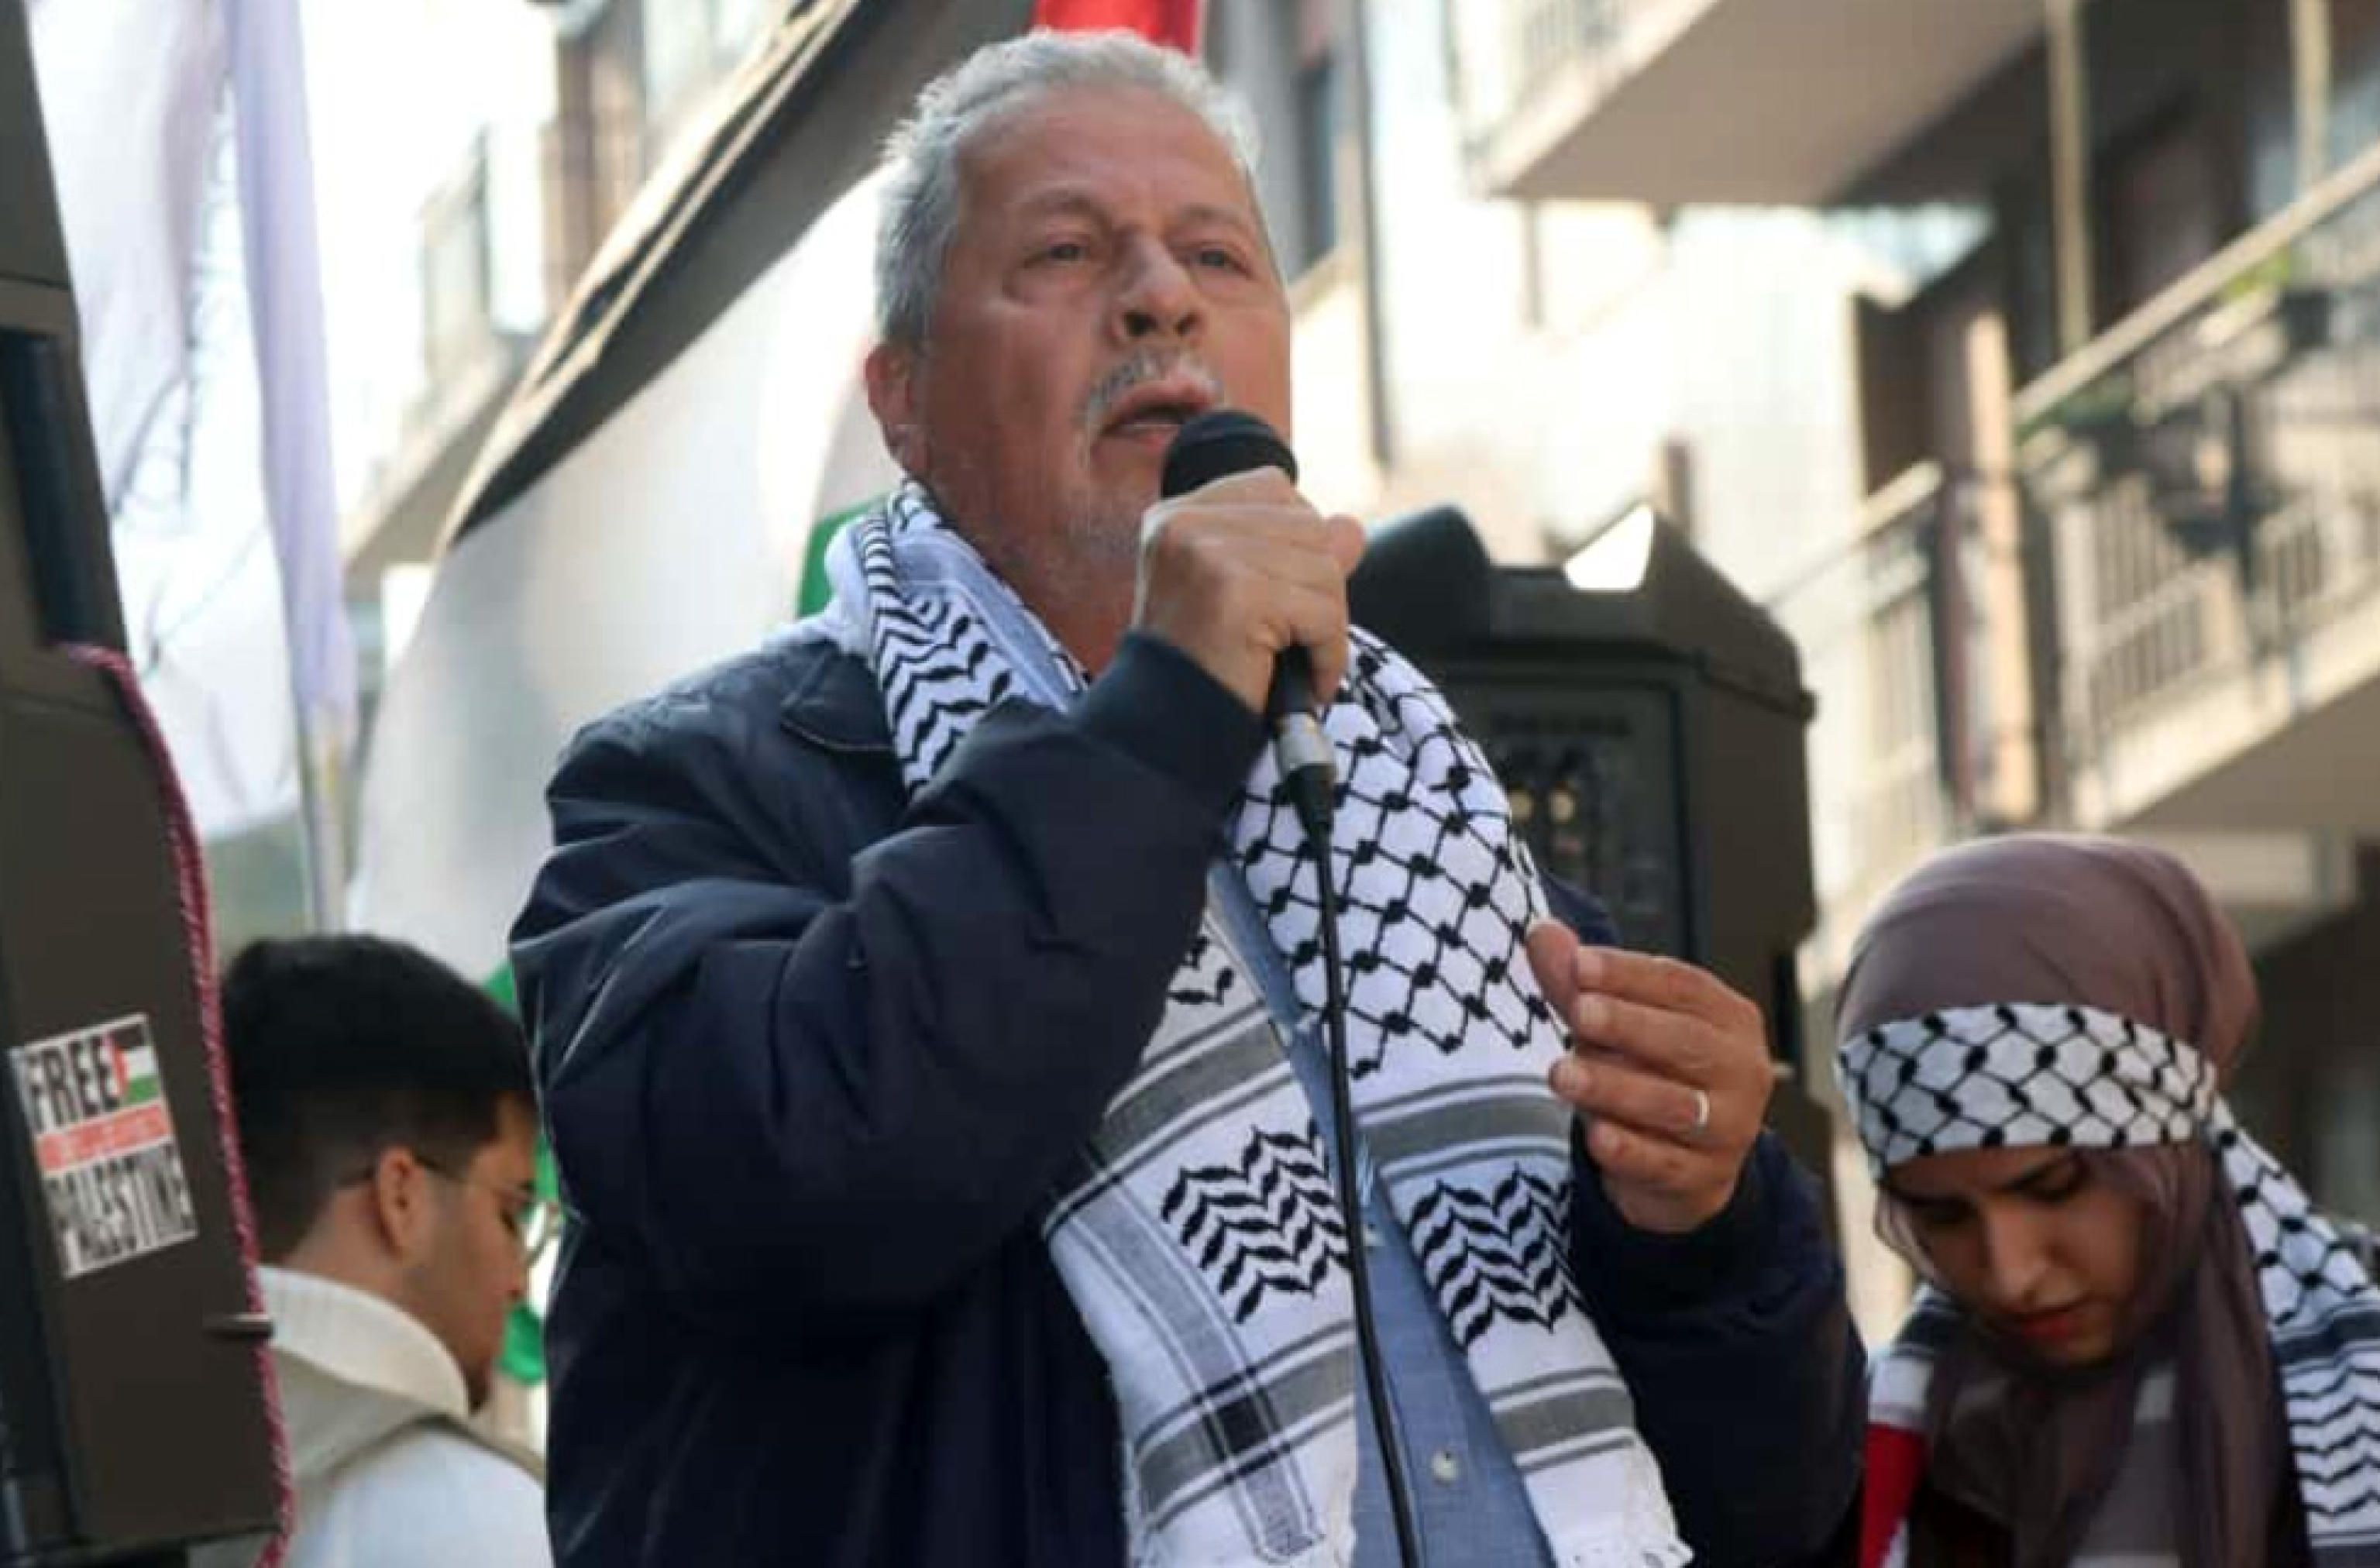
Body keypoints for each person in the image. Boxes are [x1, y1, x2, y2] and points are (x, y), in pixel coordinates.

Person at [511, 29, 1859, 1567]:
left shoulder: (1429, 816)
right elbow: (814, 1188)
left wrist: (1706, 1233)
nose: (1163, 298)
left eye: (1217, 254)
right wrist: (1165, 712)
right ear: (902, 402)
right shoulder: (702, 786)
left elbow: (1783, 1506)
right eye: (1069, 253)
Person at [1836, 834, 2380, 1567]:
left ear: (2165, 1141)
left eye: (2053, 1187)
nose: (2011, 1272)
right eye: (1942, 1216)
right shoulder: (1895, 1443)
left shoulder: (2353, 1382)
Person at [215, 935, 554, 1568]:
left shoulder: (119, 1478)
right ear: (402, 1196)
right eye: (510, 1211)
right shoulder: (468, 1519)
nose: (514, 1279)